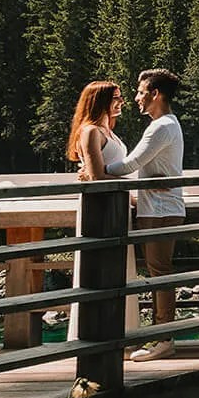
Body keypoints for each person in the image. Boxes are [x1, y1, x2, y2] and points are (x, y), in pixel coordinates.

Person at [102, 68, 186, 362]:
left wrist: (96, 170)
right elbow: (146, 169)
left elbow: (129, 165)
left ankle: (164, 339)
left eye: (140, 92)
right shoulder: (166, 125)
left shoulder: (161, 127)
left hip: (161, 210)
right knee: (157, 271)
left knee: (160, 272)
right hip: (159, 207)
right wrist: (145, 186)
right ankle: (160, 336)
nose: (137, 98)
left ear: (155, 94)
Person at [65, 81, 141, 339]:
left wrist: (133, 199)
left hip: (117, 207)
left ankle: (124, 334)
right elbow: (97, 177)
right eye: (115, 98)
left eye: (120, 97)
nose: (121, 102)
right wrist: (134, 186)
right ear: (99, 101)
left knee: (121, 269)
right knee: (99, 270)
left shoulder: (109, 132)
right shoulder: (90, 131)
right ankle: (93, 335)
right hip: (99, 209)